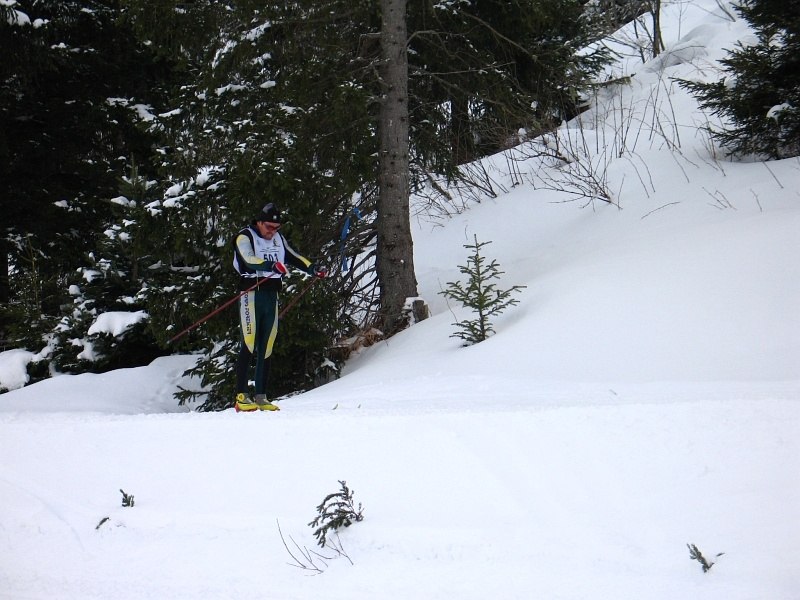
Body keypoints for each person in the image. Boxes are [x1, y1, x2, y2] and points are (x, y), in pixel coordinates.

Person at [232, 203, 327, 412]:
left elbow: (293, 256)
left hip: (271, 295)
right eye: (269, 227)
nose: (272, 232)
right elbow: (248, 259)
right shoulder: (245, 236)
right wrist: (271, 265)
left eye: (276, 228)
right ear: (259, 222)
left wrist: (313, 269)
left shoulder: (278, 239)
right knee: (249, 342)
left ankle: (261, 396)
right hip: (251, 294)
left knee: (267, 344)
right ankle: (241, 396)